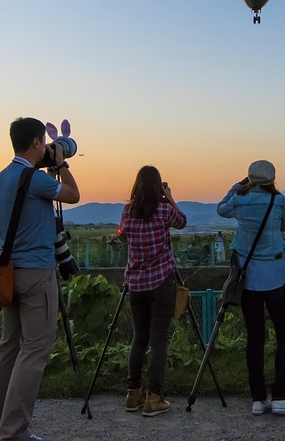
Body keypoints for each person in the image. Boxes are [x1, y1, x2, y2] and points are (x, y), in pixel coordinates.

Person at [0, 117, 81, 441]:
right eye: (44, 142)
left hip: (10, 272)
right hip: (37, 273)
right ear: (38, 143)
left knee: (9, 347)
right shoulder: (34, 179)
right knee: (35, 351)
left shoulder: (3, 177)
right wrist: (62, 163)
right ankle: (14, 431)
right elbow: (72, 194)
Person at [216, 160, 285, 416]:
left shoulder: (240, 200)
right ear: (272, 179)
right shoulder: (278, 201)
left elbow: (221, 209)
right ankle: (280, 395)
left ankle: (258, 398)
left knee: (255, 336)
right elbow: (284, 226)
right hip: (276, 275)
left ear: (250, 179)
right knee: (284, 335)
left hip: (248, 278)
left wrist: (236, 187)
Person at [119, 166, 187, 416]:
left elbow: (124, 236)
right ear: (158, 186)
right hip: (161, 283)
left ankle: (132, 394)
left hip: (136, 285)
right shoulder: (164, 210)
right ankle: (154, 398)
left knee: (139, 338)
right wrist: (169, 197)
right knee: (158, 340)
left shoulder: (128, 211)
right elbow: (182, 222)